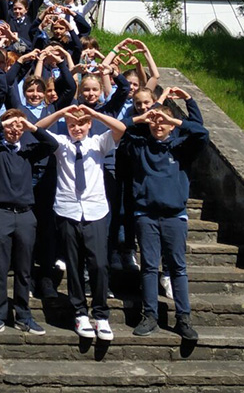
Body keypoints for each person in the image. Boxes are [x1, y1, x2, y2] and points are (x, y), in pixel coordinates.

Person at [36, 105, 125, 341]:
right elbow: (37, 128)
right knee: (73, 264)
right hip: (68, 210)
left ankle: (101, 313)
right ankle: (79, 312)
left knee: (99, 263)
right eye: (73, 125)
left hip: (94, 210)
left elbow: (121, 128)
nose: (77, 128)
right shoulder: (61, 144)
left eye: (81, 124)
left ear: (88, 126)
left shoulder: (98, 143)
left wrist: (94, 115)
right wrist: (61, 114)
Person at [123, 105, 209, 340]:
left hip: (174, 216)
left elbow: (202, 134)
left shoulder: (181, 148)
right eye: (154, 122)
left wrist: (177, 119)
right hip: (146, 214)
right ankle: (150, 316)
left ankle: (183, 318)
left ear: (171, 124)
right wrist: (141, 118)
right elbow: (122, 128)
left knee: (178, 268)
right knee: (149, 267)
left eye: (163, 121)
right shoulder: (140, 146)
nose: (158, 125)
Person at [0, 109, 58, 337]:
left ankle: (24, 314)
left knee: (24, 269)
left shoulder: (28, 152)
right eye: (10, 126)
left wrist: (31, 127)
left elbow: (51, 144)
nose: (14, 130)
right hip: (1, 213)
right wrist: (3, 123)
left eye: (18, 127)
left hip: (26, 214)